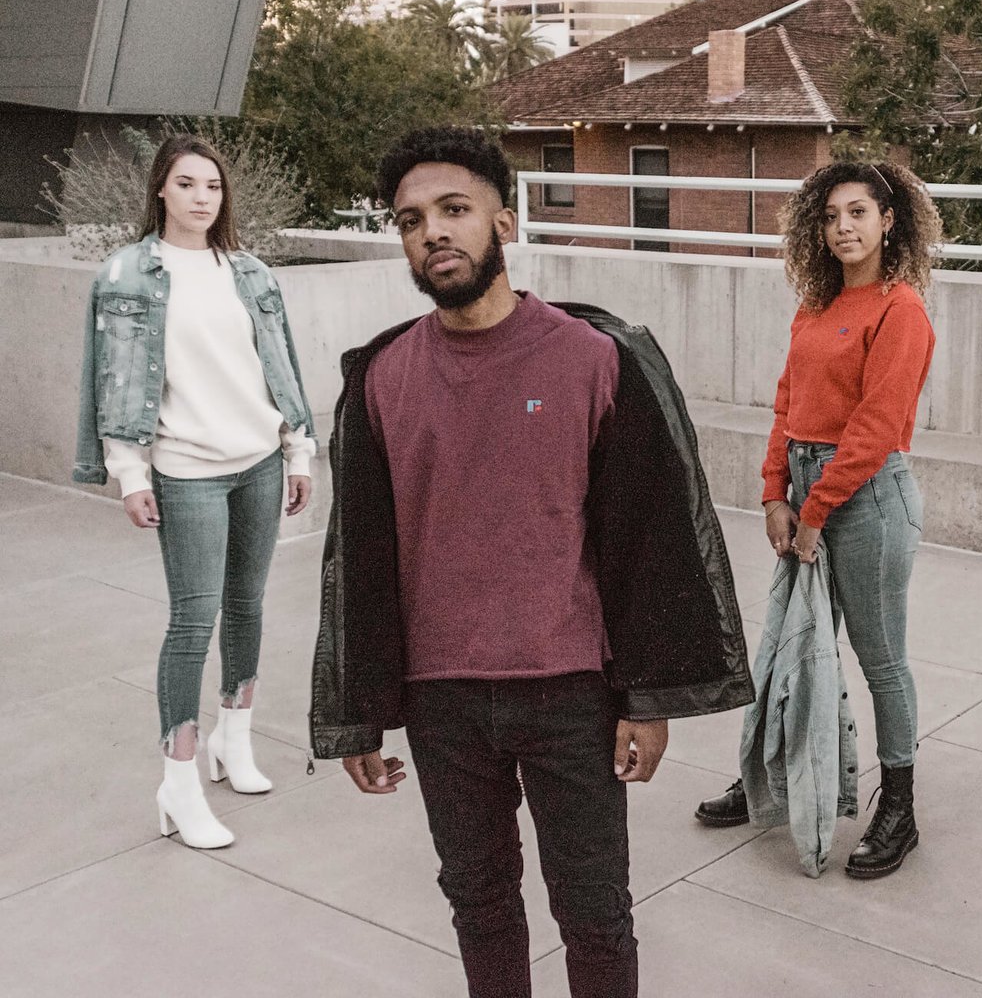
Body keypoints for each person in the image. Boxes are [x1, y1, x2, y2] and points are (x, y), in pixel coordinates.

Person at [309, 127, 752, 998]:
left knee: (594, 913)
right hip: (443, 700)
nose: (432, 232)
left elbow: (644, 545)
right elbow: (358, 555)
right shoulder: (381, 379)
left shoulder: (595, 360)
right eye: (410, 220)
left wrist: (647, 699)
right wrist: (358, 712)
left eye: (453, 210)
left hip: (571, 692)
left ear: (503, 224)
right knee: (478, 905)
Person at [695, 161, 943, 880]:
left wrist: (815, 511)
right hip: (807, 492)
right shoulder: (816, 304)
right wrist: (775, 493)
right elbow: (787, 402)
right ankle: (768, 777)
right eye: (832, 216)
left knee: (881, 659)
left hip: (866, 500)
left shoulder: (902, 311)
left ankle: (898, 805)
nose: (844, 228)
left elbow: (874, 426)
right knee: (787, 650)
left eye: (859, 213)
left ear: (889, 221)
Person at [71, 134, 316, 849]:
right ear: (161, 191)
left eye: (211, 185)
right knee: (192, 621)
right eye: (186, 184)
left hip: (260, 462)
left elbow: (280, 366)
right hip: (187, 471)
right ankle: (177, 784)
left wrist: (298, 452)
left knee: (248, 606)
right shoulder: (128, 274)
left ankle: (232, 740)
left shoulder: (249, 272)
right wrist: (129, 475)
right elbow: (114, 378)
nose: (201, 196)